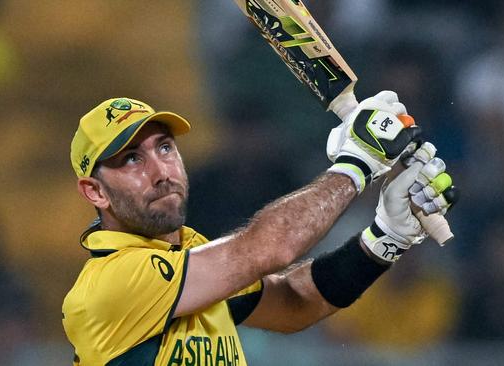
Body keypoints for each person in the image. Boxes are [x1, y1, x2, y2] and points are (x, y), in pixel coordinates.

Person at [62, 92, 455, 365]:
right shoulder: (111, 282)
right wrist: (357, 164)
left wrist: (387, 236)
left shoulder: (188, 257)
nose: (160, 172)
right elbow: (269, 249)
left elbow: (294, 303)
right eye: (131, 159)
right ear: (95, 191)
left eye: (164, 148)